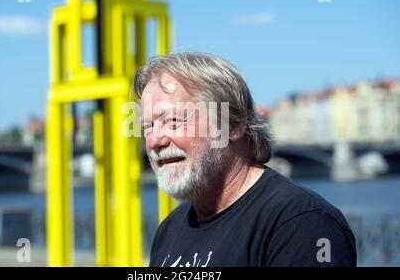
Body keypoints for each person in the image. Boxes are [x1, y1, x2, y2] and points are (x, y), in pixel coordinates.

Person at [133, 52, 357, 267]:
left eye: (173, 121)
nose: (155, 141)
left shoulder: (303, 224)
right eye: (148, 127)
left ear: (233, 125)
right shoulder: (170, 229)